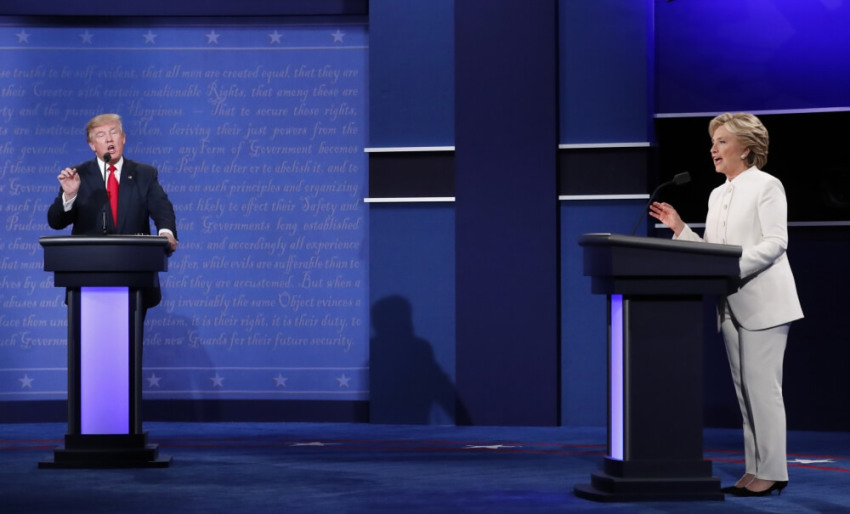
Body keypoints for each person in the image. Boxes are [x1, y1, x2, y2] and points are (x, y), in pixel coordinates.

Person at [649, 112, 803, 497]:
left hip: (765, 301)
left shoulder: (767, 185)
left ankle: (773, 471)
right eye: (713, 142)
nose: (713, 148)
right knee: (744, 392)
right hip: (730, 303)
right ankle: (755, 469)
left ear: (746, 148)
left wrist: (731, 267)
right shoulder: (717, 193)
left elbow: (775, 242)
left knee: (764, 390)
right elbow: (713, 253)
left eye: (721, 142)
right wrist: (681, 229)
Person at [47, 113, 178, 309]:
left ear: (123, 138)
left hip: (135, 276)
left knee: (130, 338)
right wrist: (69, 196)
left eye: (113, 132)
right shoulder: (77, 176)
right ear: (92, 145)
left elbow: (162, 208)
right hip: (87, 277)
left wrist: (166, 233)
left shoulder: (145, 174)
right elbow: (56, 222)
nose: (109, 139)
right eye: (100, 135)